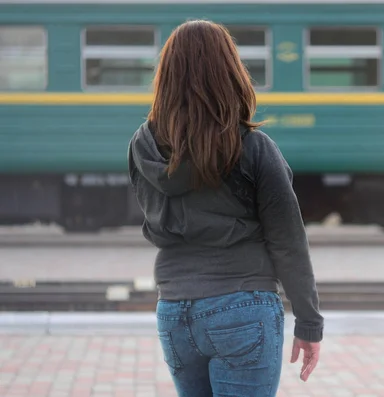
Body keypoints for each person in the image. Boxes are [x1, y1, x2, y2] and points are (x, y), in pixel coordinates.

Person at [127, 20, 323, 397]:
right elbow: (288, 241)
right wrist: (309, 323)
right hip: (242, 305)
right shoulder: (253, 148)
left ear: (165, 78)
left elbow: (157, 222)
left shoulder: (142, 149)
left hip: (173, 310)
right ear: (230, 72)